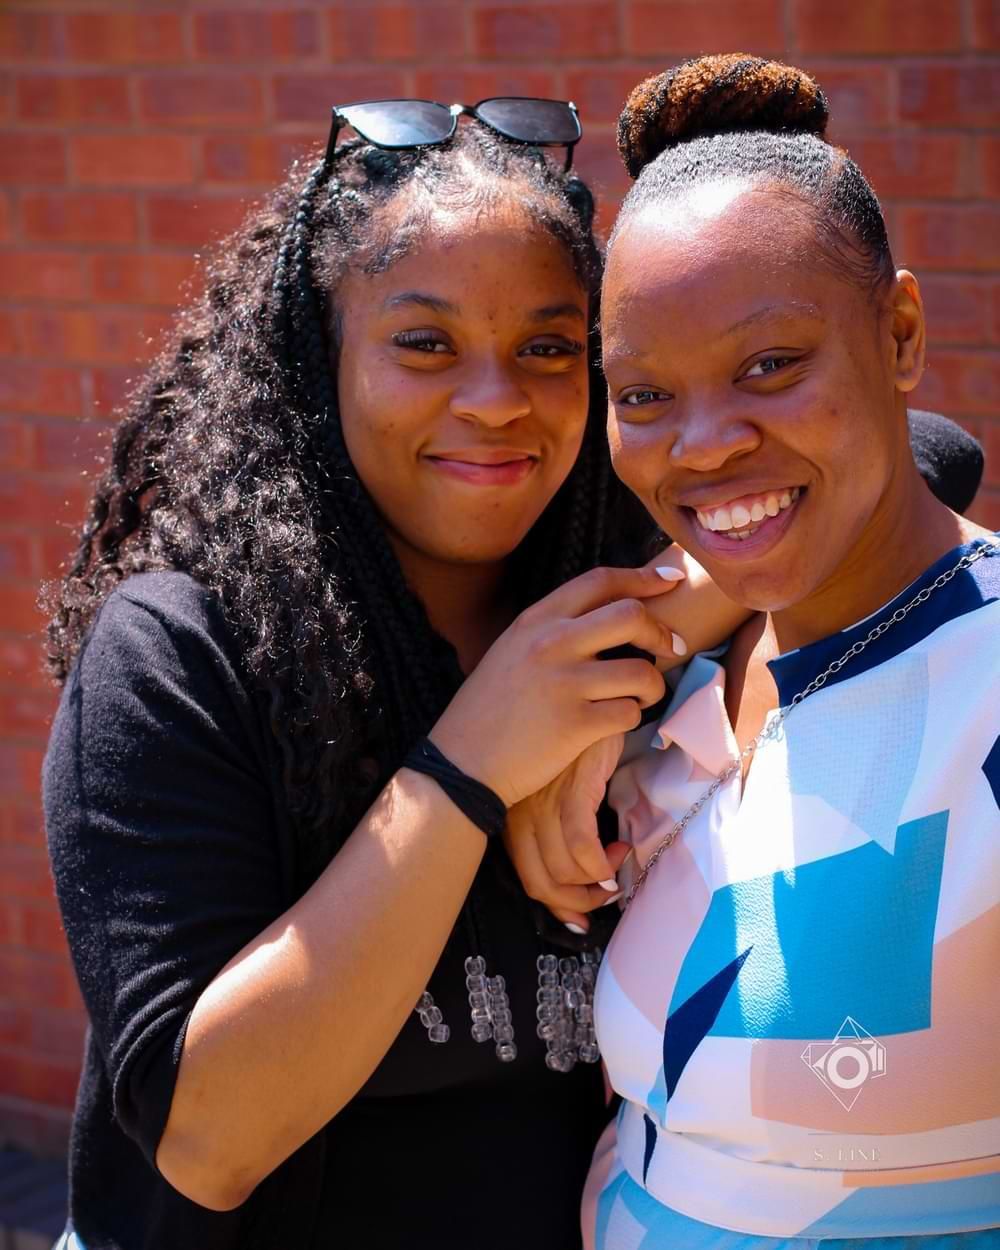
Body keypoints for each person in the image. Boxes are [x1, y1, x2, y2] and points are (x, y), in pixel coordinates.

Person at [40, 96, 981, 1250]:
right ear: (316, 360)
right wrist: (476, 760)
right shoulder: (182, 649)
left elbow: (911, 455)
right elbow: (212, 1139)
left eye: (547, 348)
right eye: (424, 343)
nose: (493, 402)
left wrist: (648, 639)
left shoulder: (601, 576)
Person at [560, 55, 998, 1248]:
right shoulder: (703, 684)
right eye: (643, 394)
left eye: (769, 366)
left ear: (898, 335)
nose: (702, 447)